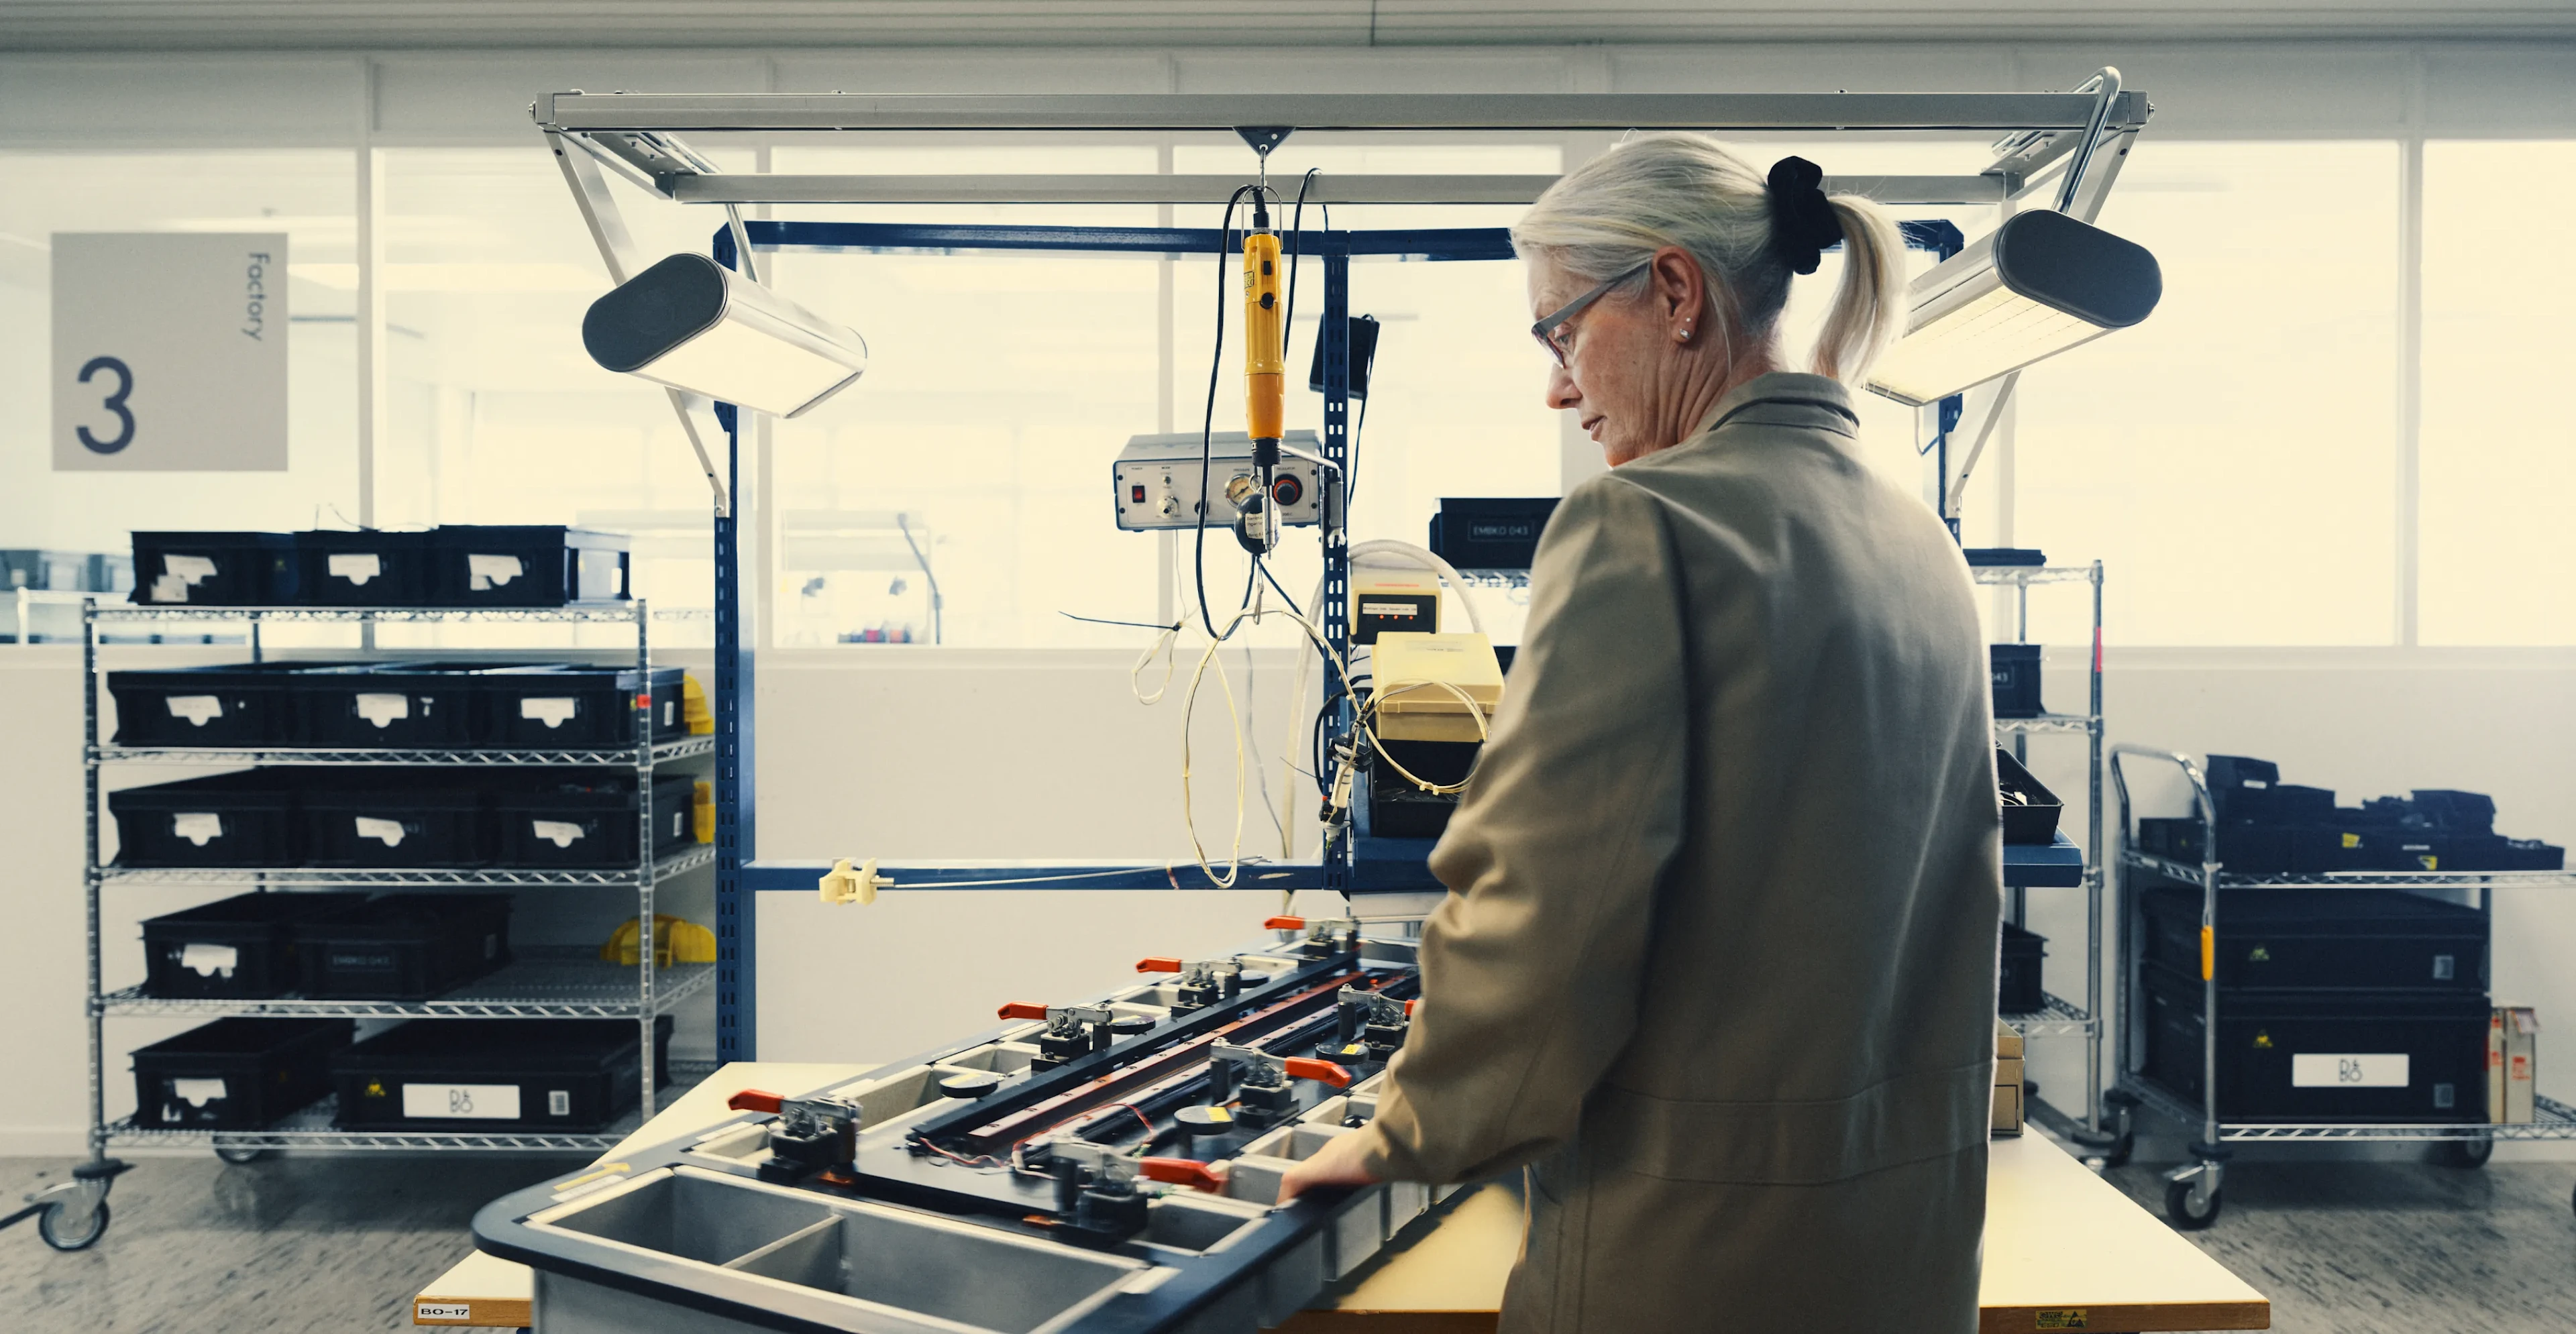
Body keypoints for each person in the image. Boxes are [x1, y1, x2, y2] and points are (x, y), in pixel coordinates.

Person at [1277, 134, 2004, 1333]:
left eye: (1559, 330)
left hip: (1692, 1257)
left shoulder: (1644, 523)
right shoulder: (1919, 539)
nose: (1558, 386)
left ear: (1673, 292)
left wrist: (1413, 1128)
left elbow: (1550, 904)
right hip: (1906, 1252)